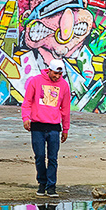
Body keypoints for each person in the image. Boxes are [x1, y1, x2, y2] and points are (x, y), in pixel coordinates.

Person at [22, 58, 71, 197]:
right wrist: (26, 118)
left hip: (54, 126)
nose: (57, 77)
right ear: (49, 70)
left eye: (60, 75)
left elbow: (65, 108)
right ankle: (42, 183)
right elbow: (27, 102)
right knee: (40, 156)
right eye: (55, 73)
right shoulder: (36, 81)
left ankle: (51, 186)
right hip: (37, 125)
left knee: (53, 158)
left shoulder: (64, 86)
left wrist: (65, 128)